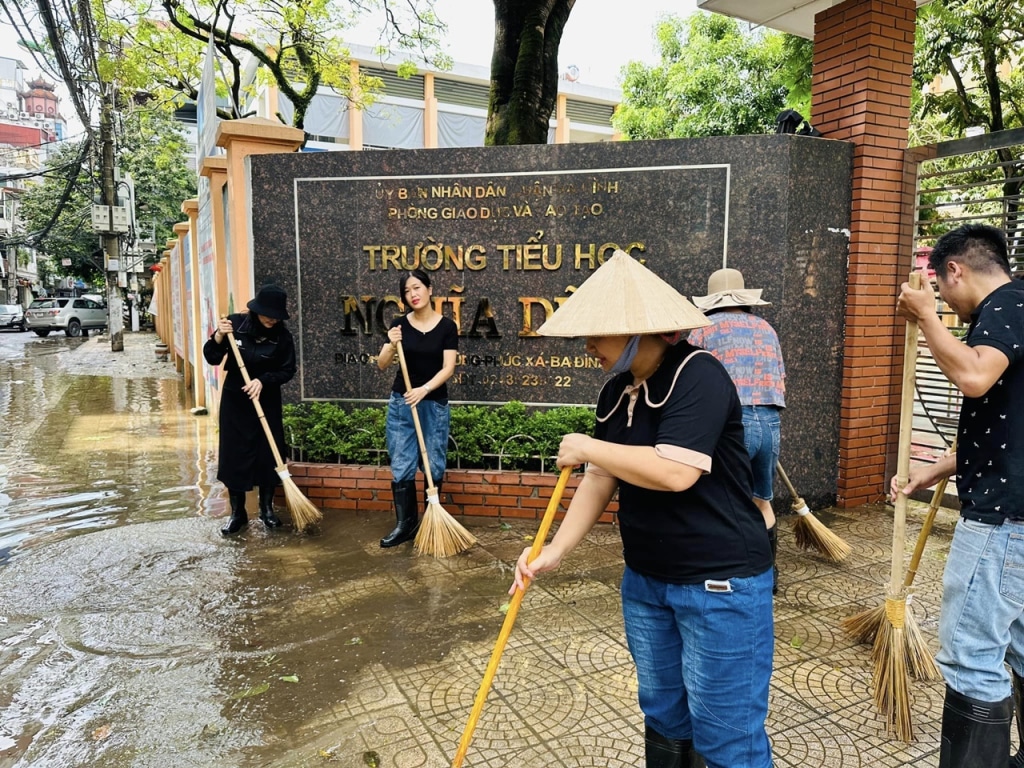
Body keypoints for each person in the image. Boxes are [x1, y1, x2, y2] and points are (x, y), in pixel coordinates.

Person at [512, 250, 774, 768]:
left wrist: (588, 445)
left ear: (640, 328)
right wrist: (554, 551)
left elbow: (675, 472)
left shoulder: (699, 374)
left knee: (726, 735)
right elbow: (602, 477)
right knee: (664, 716)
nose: (588, 348)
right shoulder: (617, 391)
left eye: (597, 335)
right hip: (646, 582)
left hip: (718, 585)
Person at [891, 224, 1024, 767]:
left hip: (1001, 524)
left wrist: (925, 318)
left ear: (954, 270)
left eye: (943, 294)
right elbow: (1007, 424)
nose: (946, 305)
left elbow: (973, 377)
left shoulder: (1004, 307)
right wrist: (932, 471)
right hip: (1015, 511)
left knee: (973, 655)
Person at [689, 268, 786, 593]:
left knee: (723, 500)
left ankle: (726, 572)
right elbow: (780, 377)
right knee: (761, 500)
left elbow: (692, 380)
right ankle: (768, 577)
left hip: (732, 425)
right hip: (770, 421)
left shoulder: (703, 331)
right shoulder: (767, 329)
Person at [203, 284, 297, 536]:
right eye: (268, 313)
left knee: (269, 452)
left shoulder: (283, 337)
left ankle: (267, 509)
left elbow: (288, 370)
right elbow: (212, 356)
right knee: (236, 454)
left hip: (266, 399)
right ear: (256, 310)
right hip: (237, 400)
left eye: (276, 315)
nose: (272, 318)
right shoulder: (235, 325)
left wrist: (263, 380)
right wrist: (219, 337)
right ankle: (238, 513)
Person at [376, 269, 458, 548]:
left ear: (429, 289)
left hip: (433, 403)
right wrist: (391, 342)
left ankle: (429, 522)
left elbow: (448, 368)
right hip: (402, 403)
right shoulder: (399, 325)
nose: (413, 294)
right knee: (402, 461)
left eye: (417, 287)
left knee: (433, 461)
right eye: (407, 291)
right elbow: (382, 364)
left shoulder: (447, 327)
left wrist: (424, 390)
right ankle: (405, 524)